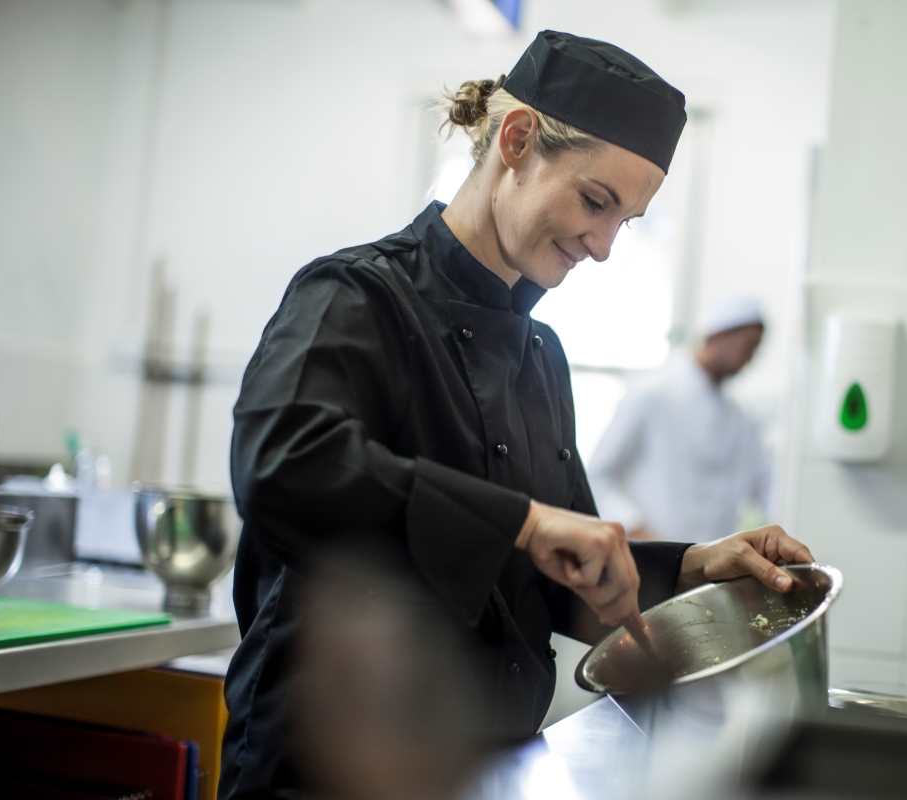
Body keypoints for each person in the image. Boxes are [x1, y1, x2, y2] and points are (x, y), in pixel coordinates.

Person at [219, 30, 813, 799]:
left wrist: (694, 568)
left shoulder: (541, 357)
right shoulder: (355, 297)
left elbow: (560, 576)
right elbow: (281, 468)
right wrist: (524, 523)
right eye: (596, 202)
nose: (604, 246)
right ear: (518, 139)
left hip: (487, 773)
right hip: (322, 772)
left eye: (626, 221)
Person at [588, 297, 771, 542]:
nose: (750, 358)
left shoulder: (740, 418)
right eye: (748, 346)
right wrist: (634, 527)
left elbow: (763, 488)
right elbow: (598, 476)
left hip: (713, 560)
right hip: (648, 556)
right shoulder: (651, 393)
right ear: (719, 335)